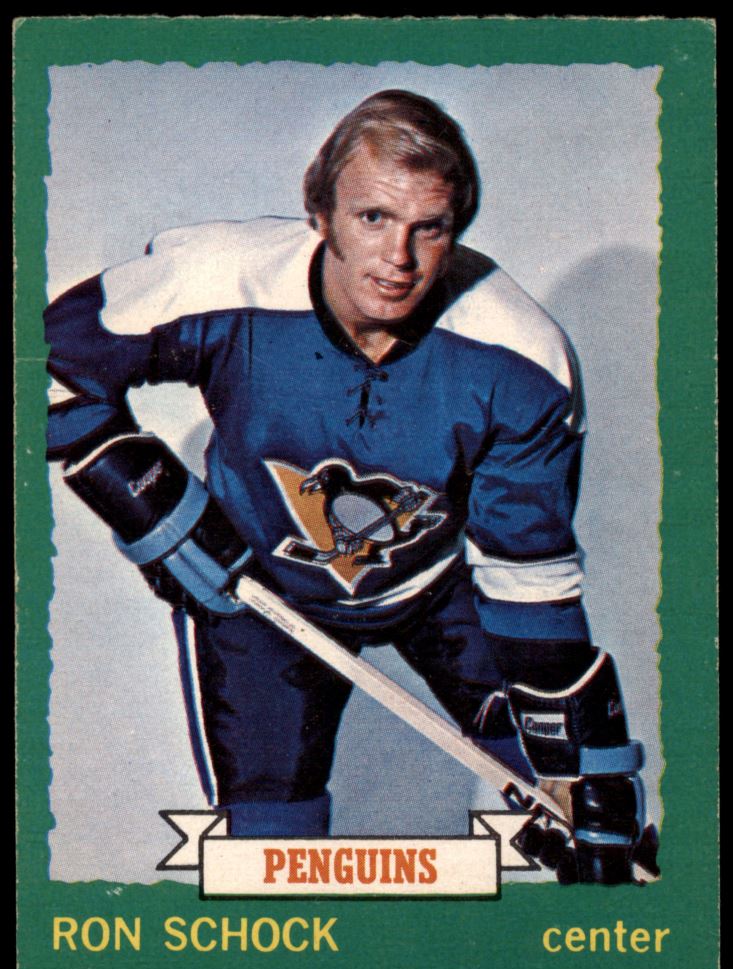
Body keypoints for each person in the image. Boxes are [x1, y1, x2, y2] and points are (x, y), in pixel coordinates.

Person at [45, 89, 646, 883]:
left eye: (428, 227)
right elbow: (44, 367)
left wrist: (576, 753)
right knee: (267, 860)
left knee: (588, 833)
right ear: (319, 212)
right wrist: (151, 507)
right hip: (256, 584)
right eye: (372, 218)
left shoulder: (519, 359)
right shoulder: (220, 281)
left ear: (455, 229)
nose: (398, 259)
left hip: (442, 588)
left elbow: (526, 571)